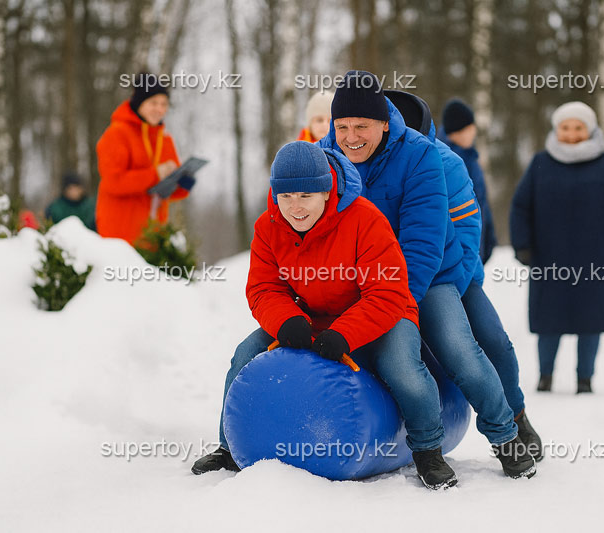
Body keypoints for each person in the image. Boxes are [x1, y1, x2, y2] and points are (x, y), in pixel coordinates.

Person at [192, 141, 457, 489]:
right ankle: (229, 447)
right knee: (244, 354)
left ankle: (428, 450)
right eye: (286, 196)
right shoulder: (268, 227)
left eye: (305, 195)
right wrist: (287, 321)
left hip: (383, 315)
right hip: (310, 319)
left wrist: (346, 332)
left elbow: (387, 291)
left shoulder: (365, 220)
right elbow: (263, 288)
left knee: (401, 367)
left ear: (327, 189)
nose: (295, 206)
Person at [319, 71, 536, 479]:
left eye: (361, 126)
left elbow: (423, 243)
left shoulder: (421, 155)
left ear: (384, 123)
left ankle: (507, 434)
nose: (351, 137)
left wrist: (394, 307)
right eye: (342, 127)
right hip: (359, 283)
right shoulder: (323, 157)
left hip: (429, 275)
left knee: (461, 351)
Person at [386, 89, 542, 459]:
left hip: (451, 275)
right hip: (393, 281)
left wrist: (450, 295)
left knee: (493, 340)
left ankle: (516, 415)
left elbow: (469, 236)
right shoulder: (369, 163)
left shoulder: (445, 163)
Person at [510, 101, 604, 394]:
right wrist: (523, 244)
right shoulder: (542, 162)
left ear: (589, 130)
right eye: (566, 127)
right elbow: (520, 206)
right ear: (557, 129)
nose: (572, 133)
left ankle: (585, 378)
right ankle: (545, 376)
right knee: (549, 320)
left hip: (597, 257)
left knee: (591, 320)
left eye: (578, 127)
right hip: (549, 256)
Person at [96, 72, 195, 245]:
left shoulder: (165, 139)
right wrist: (155, 174)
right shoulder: (116, 134)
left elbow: (166, 191)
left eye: (164, 104)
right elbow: (113, 182)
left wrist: (183, 184)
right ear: (139, 103)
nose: (160, 109)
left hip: (155, 236)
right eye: (153, 103)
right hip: (119, 234)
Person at [438, 98, 497, 264]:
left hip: (476, 245)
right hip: (458, 251)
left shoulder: (471, 158)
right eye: (470, 128)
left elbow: (482, 201)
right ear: (458, 131)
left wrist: (490, 238)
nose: (473, 132)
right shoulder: (447, 161)